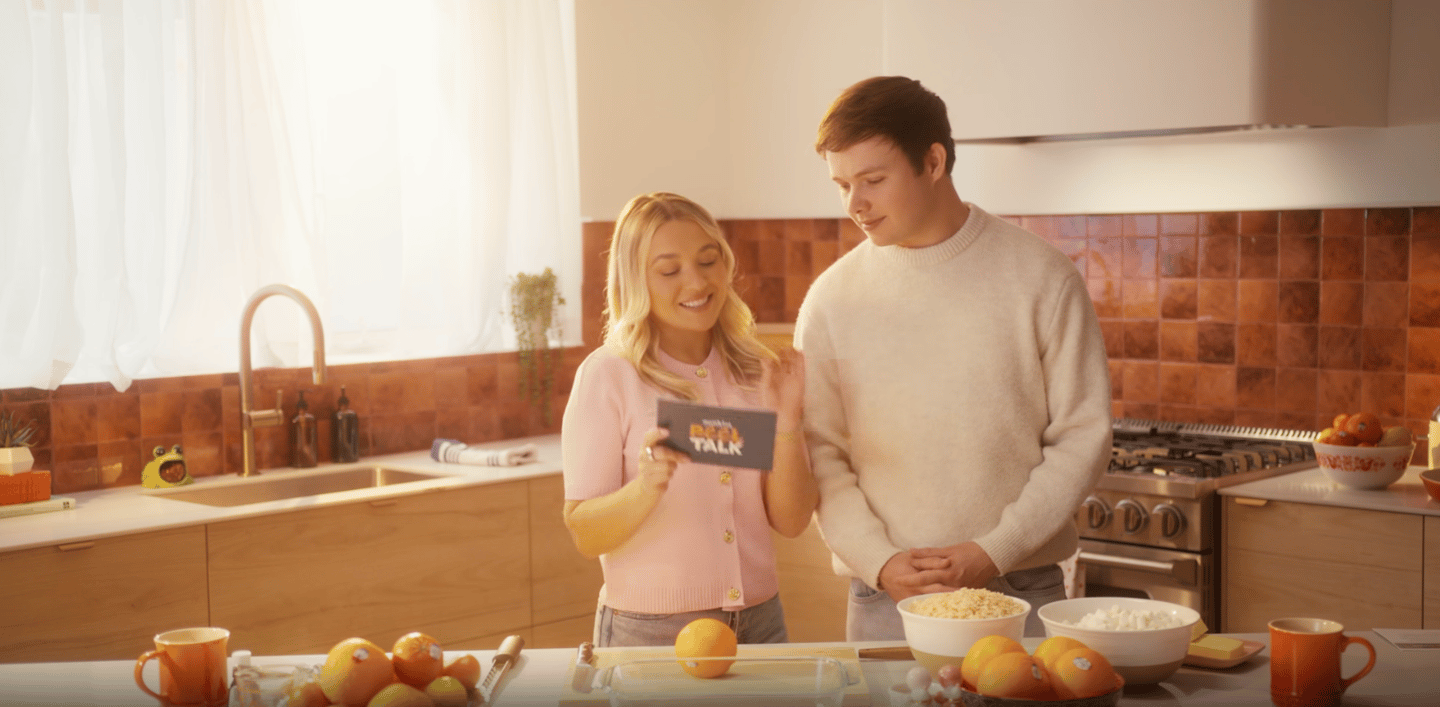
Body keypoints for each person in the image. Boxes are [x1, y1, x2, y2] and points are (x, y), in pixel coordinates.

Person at [795, 76, 1112, 640]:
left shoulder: (1042, 277)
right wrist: (880, 560)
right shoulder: (830, 300)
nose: (855, 205)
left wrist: (996, 550)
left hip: (1020, 587)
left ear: (934, 161)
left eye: (872, 180)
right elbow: (821, 452)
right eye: (841, 185)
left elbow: (1082, 437)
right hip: (884, 597)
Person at [561, 191, 817, 647]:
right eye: (669, 270)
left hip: (760, 622)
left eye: (708, 260)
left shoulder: (757, 371)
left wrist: (788, 421)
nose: (697, 283)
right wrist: (645, 488)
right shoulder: (609, 375)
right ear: (636, 279)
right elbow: (584, 531)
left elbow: (792, 520)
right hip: (650, 632)